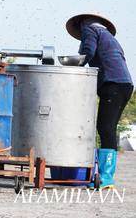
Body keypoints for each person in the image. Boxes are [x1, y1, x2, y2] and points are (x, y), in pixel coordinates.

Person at [66, 11, 133, 189]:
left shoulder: (89, 30)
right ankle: (106, 176)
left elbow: (88, 51)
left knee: (104, 128)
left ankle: (106, 177)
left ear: (80, 24)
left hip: (113, 84)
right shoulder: (109, 37)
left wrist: (76, 67)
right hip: (124, 85)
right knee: (109, 128)